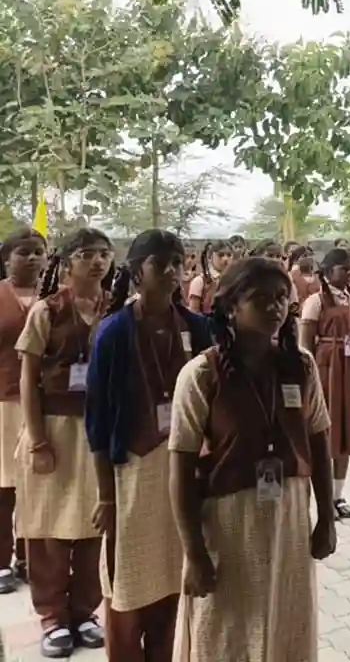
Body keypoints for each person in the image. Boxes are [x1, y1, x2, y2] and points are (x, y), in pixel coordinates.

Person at [169, 257, 336, 661]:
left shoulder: (301, 366)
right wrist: (193, 554)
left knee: (286, 622)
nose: (275, 307)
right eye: (260, 298)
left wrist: (326, 519)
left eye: (282, 298)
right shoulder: (201, 375)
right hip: (229, 527)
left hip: (288, 521)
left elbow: (319, 443)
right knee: (226, 631)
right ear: (230, 306)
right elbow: (179, 471)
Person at [86, 230, 212, 661]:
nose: (175, 272)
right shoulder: (114, 333)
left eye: (179, 262)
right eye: (163, 264)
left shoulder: (197, 328)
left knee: (173, 584)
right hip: (132, 476)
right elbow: (98, 422)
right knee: (129, 584)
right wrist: (105, 494)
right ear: (138, 272)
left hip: (184, 472)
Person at [17, 228, 113, 657]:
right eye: (87, 254)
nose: (97, 262)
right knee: (50, 530)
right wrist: (37, 440)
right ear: (69, 261)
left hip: (98, 432)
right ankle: (53, 616)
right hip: (53, 430)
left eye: (104, 254)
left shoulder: (116, 310)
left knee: (94, 526)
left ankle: (85, 611)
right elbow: (27, 378)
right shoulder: (46, 310)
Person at [298, 249, 350, 521]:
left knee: (347, 431)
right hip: (328, 372)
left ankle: (337, 496)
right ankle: (320, 497)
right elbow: (305, 346)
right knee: (324, 433)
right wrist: (309, 378)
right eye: (344, 269)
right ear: (328, 272)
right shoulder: (315, 302)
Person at [0, 228, 45, 594]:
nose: (32, 258)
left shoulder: (55, 299)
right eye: (23, 252)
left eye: (38, 252)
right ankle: (1, 562)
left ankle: (28, 555)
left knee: (36, 484)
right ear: (6, 258)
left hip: (45, 405)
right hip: (3, 403)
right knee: (4, 486)